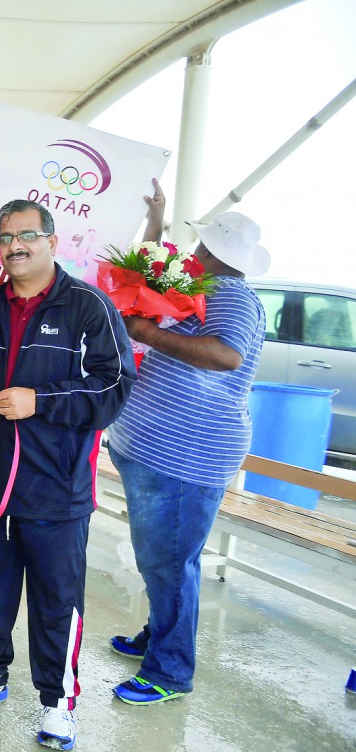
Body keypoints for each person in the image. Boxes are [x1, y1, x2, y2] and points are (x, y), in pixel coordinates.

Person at [0, 199, 134, 752]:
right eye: (6, 237)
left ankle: (57, 703)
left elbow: (114, 389)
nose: (14, 246)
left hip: (54, 488)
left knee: (55, 600)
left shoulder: (89, 307)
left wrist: (41, 400)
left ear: (52, 242)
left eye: (26, 236)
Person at [108, 197, 269, 706]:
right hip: (157, 449)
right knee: (161, 558)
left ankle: (170, 671)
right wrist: (155, 219)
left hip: (184, 457)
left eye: (201, 244)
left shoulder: (234, 297)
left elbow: (227, 354)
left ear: (213, 251)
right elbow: (152, 271)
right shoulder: (201, 288)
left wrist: (147, 333)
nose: (194, 251)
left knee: (170, 562)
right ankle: (160, 635)